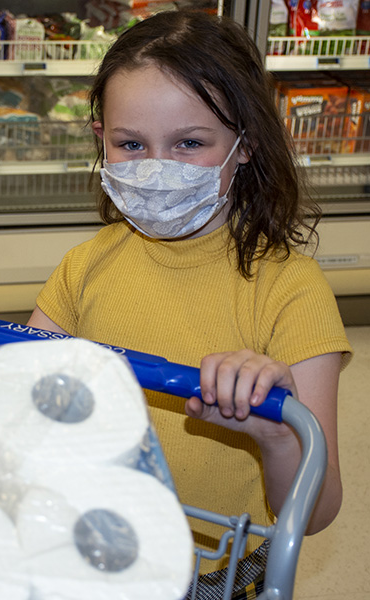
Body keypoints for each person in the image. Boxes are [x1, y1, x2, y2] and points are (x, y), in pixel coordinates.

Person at [26, 10, 353, 597]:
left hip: (217, 576)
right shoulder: (83, 268)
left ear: (246, 144)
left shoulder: (292, 291)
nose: (156, 169)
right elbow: (25, 401)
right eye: (131, 144)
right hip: (87, 561)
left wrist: (276, 430)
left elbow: (319, 507)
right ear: (101, 138)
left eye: (189, 143)